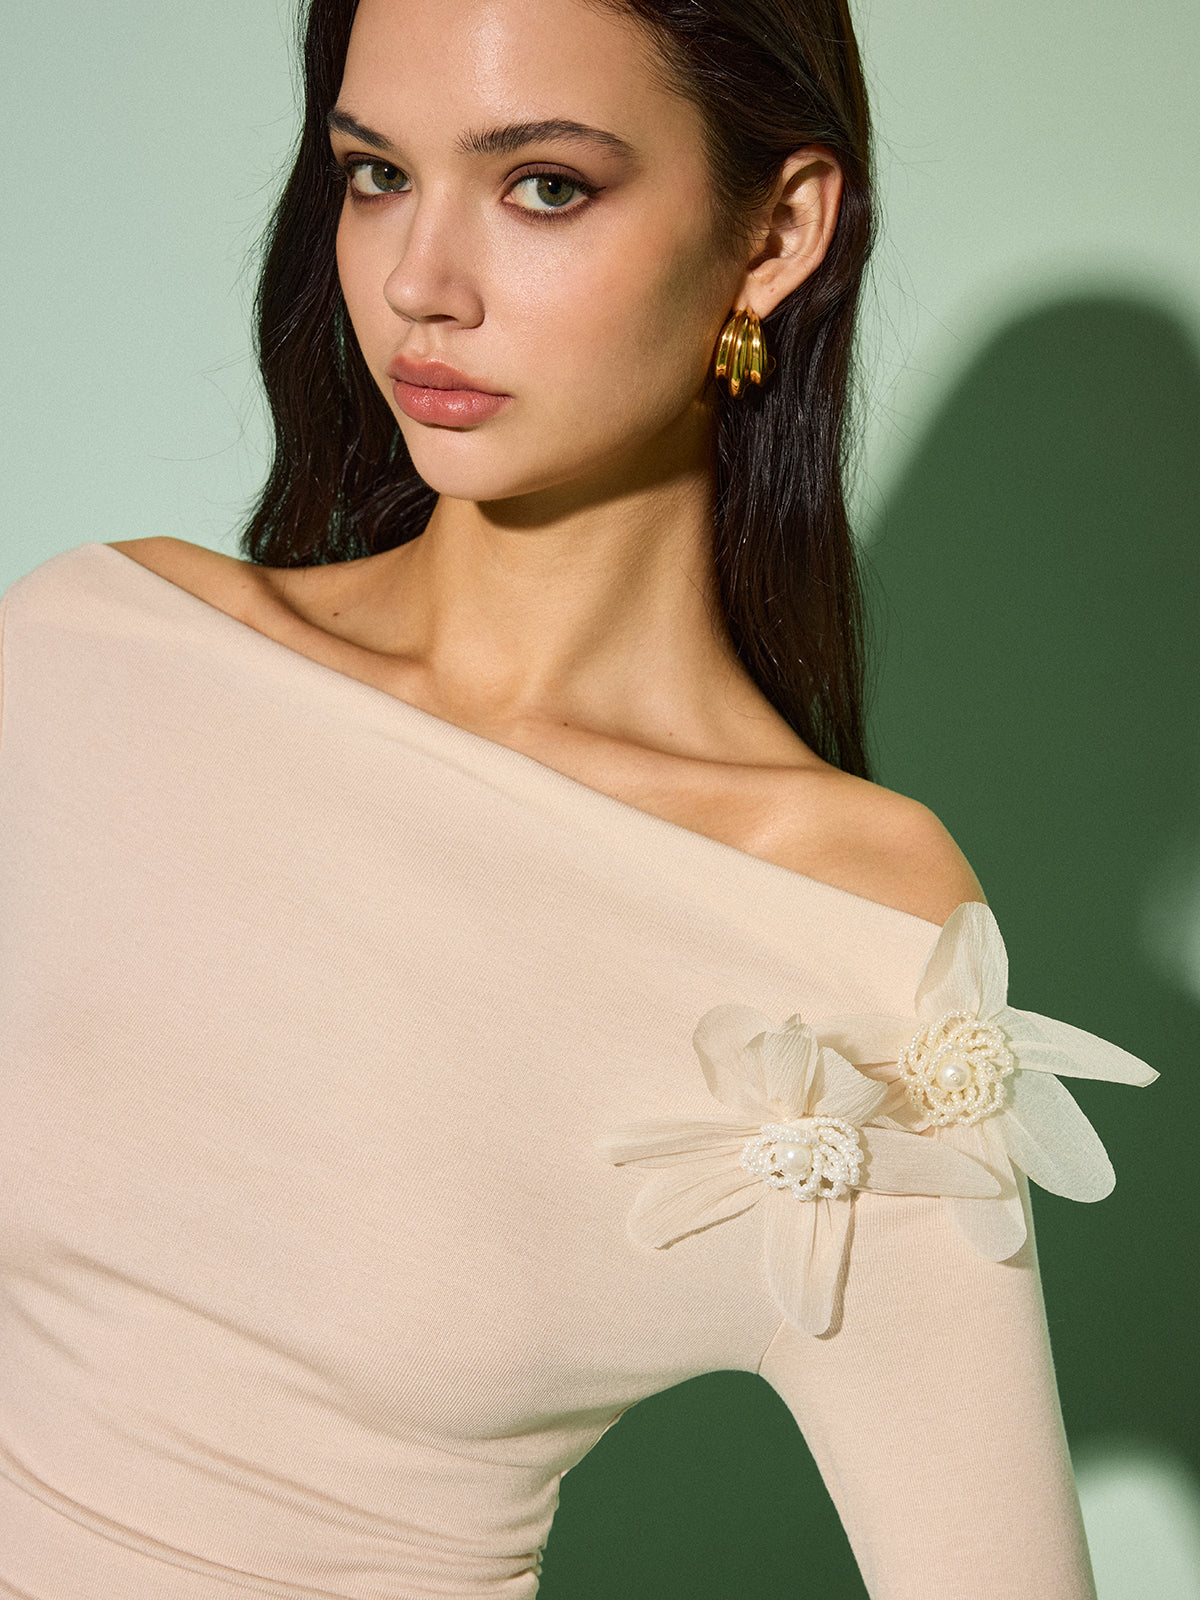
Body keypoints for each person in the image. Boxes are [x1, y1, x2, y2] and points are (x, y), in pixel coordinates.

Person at [0, 0, 1157, 1595]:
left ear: (777, 233)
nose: (421, 283)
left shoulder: (847, 940)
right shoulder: (97, 657)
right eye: (376, 174)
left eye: (543, 185)